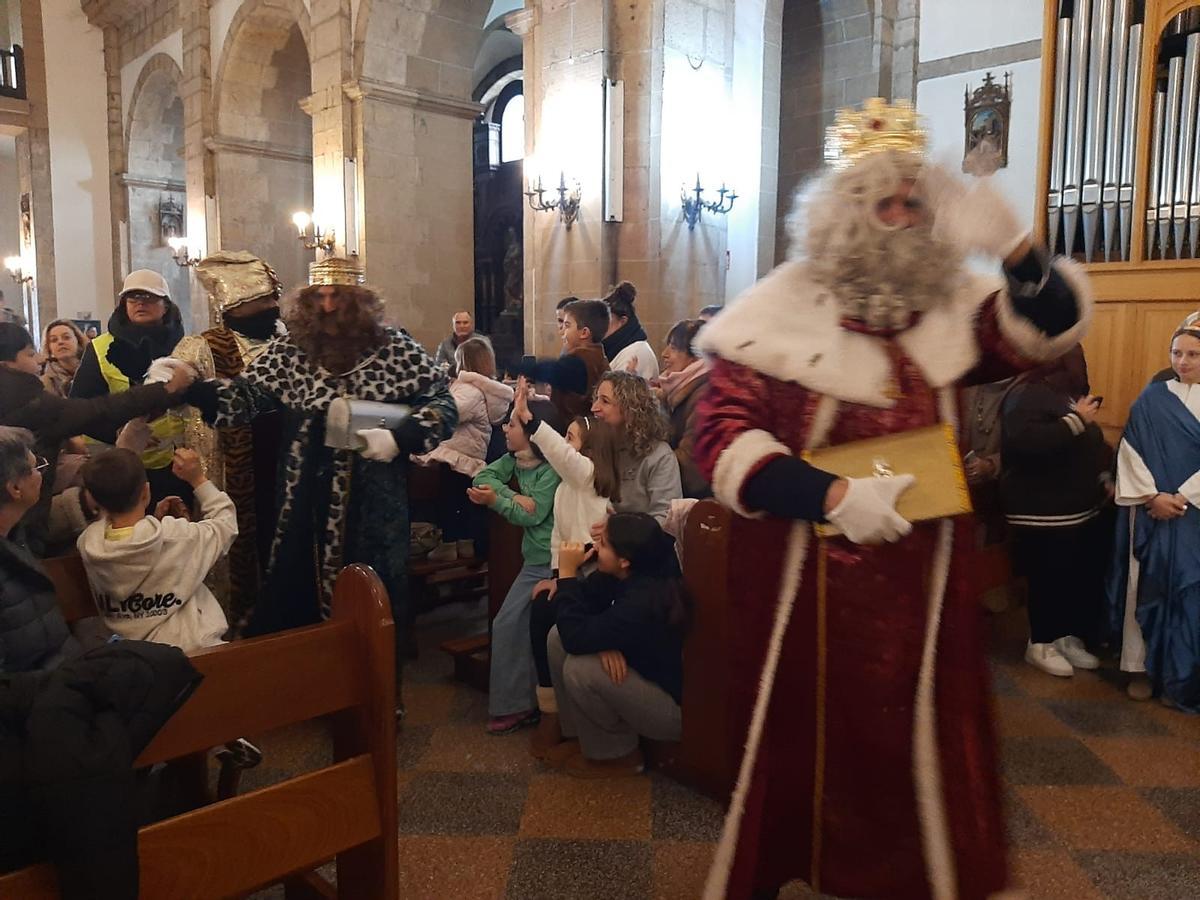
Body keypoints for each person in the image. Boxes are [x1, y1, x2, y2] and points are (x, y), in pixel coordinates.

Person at [693, 100, 1092, 899]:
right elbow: (720, 438)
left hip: (928, 590)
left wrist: (1015, 247)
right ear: (847, 211)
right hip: (808, 597)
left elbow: (1044, 329)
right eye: (887, 201)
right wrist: (831, 494)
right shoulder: (775, 310)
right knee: (816, 761)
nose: (905, 217)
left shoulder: (945, 306)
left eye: (918, 201)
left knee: (924, 764)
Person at [183, 258, 456, 692]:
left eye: (338, 295)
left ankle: (377, 694)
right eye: (319, 295)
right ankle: (311, 690)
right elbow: (247, 396)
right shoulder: (293, 349)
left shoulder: (393, 346)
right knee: (298, 582)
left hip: (372, 496)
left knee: (372, 588)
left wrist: (403, 436)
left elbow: (442, 402)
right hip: (301, 493)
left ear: (359, 301)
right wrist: (189, 387)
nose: (328, 304)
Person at [0, 323, 194, 554]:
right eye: (30, 354)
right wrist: (166, 390)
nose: (40, 360)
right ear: (7, 363)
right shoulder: (30, 403)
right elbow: (100, 409)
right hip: (23, 527)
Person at [172, 251, 285, 634]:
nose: (273, 306)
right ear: (238, 306)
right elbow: (171, 380)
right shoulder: (204, 346)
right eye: (264, 301)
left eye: (274, 298)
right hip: (233, 466)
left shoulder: (291, 343)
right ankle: (236, 628)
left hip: (284, 464)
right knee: (238, 549)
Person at [511, 378, 623, 755]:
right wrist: (558, 578)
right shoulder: (564, 489)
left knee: (554, 619)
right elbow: (560, 540)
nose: (565, 444)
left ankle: (568, 718)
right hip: (574, 573)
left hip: (600, 576)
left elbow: (565, 457)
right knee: (540, 610)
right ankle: (551, 711)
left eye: (571, 438)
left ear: (589, 448)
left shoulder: (588, 477)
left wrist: (530, 420)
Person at [542, 514, 686, 778]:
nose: (596, 547)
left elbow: (578, 635)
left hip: (669, 710)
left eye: (604, 544)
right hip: (639, 676)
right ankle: (579, 737)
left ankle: (618, 756)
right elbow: (576, 613)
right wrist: (601, 643)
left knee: (581, 668)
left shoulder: (646, 597)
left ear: (624, 560)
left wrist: (566, 574)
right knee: (556, 638)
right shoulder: (621, 572)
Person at [1000, 345, 1112, 677]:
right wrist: (1077, 421)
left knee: (1070, 574)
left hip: (1075, 506)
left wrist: (1103, 476)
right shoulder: (1026, 393)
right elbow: (1027, 442)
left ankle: (1063, 636)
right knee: (1047, 575)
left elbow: (1092, 445)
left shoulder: (1065, 393)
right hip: (1039, 509)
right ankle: (1041, 642)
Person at [1108, 313, 1200, 709]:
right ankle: (1139, 668)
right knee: (1142, 585)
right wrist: (1152, 497)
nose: (1183, 361)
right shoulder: (1151, 397)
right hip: (1151, 513)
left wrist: (1184, 495)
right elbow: (1130, 450)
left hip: (1194, 514)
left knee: (1191, 592)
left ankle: (1183, 675)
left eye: (1193, 354)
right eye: (1177, 353)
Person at [76, 447, 236, 650]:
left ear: (96, 500)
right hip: (194, 653)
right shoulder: (175, 536)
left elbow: (130, 548)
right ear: (146, 492)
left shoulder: (89, 543)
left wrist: (154, 522)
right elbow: (226, 524)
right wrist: (198, 480)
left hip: (134, 656)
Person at [469, 400, 563, 735]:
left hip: (550, 564)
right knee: (510, 624)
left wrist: (498, 501)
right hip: (533, 561)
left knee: (509, 624)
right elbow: (484, 475)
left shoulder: (550, 469)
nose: (505, 429)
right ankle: (519, 703)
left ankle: (517, 706)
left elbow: (534, 513)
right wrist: (508, 495)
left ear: (533, 433)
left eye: (512, 424)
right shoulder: (514, 460)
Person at [71, 269, 190, 506]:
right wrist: (121, 433)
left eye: (149, 297)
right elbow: (81, 409)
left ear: (165, 305)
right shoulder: (100, 348)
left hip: (179, 463)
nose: (140, 303)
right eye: (132, 298)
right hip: (123, 465)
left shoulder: (186, 347)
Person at [0, 426, 112, 673]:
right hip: (45, 695)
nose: (42, 473)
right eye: (36, 468)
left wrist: (83, 502)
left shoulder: (16, 532)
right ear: (15, 489)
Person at [413, 336, 514, 561]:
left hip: (459, 456)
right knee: (462, 501)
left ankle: (450, 544)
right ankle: (463, 544)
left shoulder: (470, 389)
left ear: (463, 362)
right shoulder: (485, 389)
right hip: (468, 453)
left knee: (450, 501)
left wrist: (429, 406)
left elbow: (453, 411)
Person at [591, 371, 682, 524]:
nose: (594, 408)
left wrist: (616, 532)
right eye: (596, 399)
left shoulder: (659, 456)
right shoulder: (597, 446)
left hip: (637, 545)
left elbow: (666, 518)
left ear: (630, 410)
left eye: (605, 401)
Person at [515, 298, 610, 421]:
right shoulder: (596, 356)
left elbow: (545, 369)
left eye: (567, 326)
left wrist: (513, 365)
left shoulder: (577, 363)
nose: (562, 332)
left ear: (584, 333)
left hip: (576, 433)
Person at [657, 319, 711, 499]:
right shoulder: (676, 390)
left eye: (673, 348)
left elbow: (691, 465)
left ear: (696, 356)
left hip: (694, 498)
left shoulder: (704, 396)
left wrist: (647, 465)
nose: (664, 354)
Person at [602, 282, 659, 380]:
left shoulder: (634, 353)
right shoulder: (619, 348)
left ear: (623, 321)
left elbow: (622, 392)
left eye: (607, 320)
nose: (601, 326)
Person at [40, 319, 89, 399]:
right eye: (54, 340)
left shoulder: (95, 369)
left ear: (78, 341)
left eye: (66, 337)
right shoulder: (44, 383)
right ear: (49, 349)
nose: (60, 342)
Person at [434, 310, 478, 376]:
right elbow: (438, 367)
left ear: (471, 324)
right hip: (453, 381)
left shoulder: (482, 342)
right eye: (458, 323)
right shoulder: (445, 344)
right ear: (453, 325)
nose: (461, 326)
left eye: (465, 322)